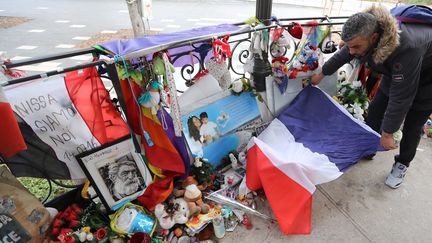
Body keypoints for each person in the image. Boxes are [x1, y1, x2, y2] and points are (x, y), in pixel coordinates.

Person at [311, 5, 432, 189]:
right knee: (375, 111)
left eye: (356, 47)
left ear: (374, 38)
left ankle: (402, 164)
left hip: (427, 81)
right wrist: (321, 74)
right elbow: (346, 52)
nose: (352, 51)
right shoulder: (366, 32)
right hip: (398, 71)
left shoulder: (408, 46)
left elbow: (401, 97)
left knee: (412, 126)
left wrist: (388, 133)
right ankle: (368, 147)